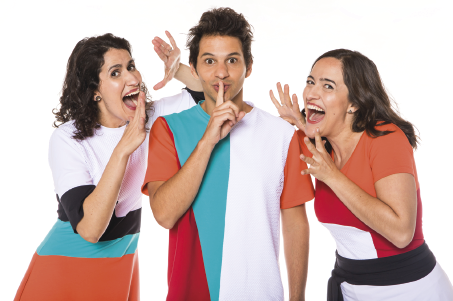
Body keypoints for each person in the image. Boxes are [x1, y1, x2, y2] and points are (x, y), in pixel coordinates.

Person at [142, 8, 314, 301]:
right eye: (209, 61)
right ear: (194, 70)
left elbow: (295, 222)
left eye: (232, 60)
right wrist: (208, 139)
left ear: (248, 67)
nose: (221, 73)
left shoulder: (282, 135)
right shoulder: (168, 129)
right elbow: (165, 214)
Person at [14, 32, 202, 301]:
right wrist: (123, 149)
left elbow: (208, 97)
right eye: (115, 73)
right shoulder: (68, 139)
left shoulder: (150, 116)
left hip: (121, 258)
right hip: (66, 265)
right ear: (94, 92)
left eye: (131, 66)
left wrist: (179, 70)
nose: (133, 78)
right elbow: (90, 229)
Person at [270, 49, 453, 300]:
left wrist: (333, 176)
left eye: (328, 86)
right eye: (311, 82)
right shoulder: (320, 146)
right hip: (352, 289)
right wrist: (303, 125)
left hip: (410, 290)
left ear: (354, 104)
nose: (312, 93)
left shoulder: (385, 139)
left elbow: (401, 233)